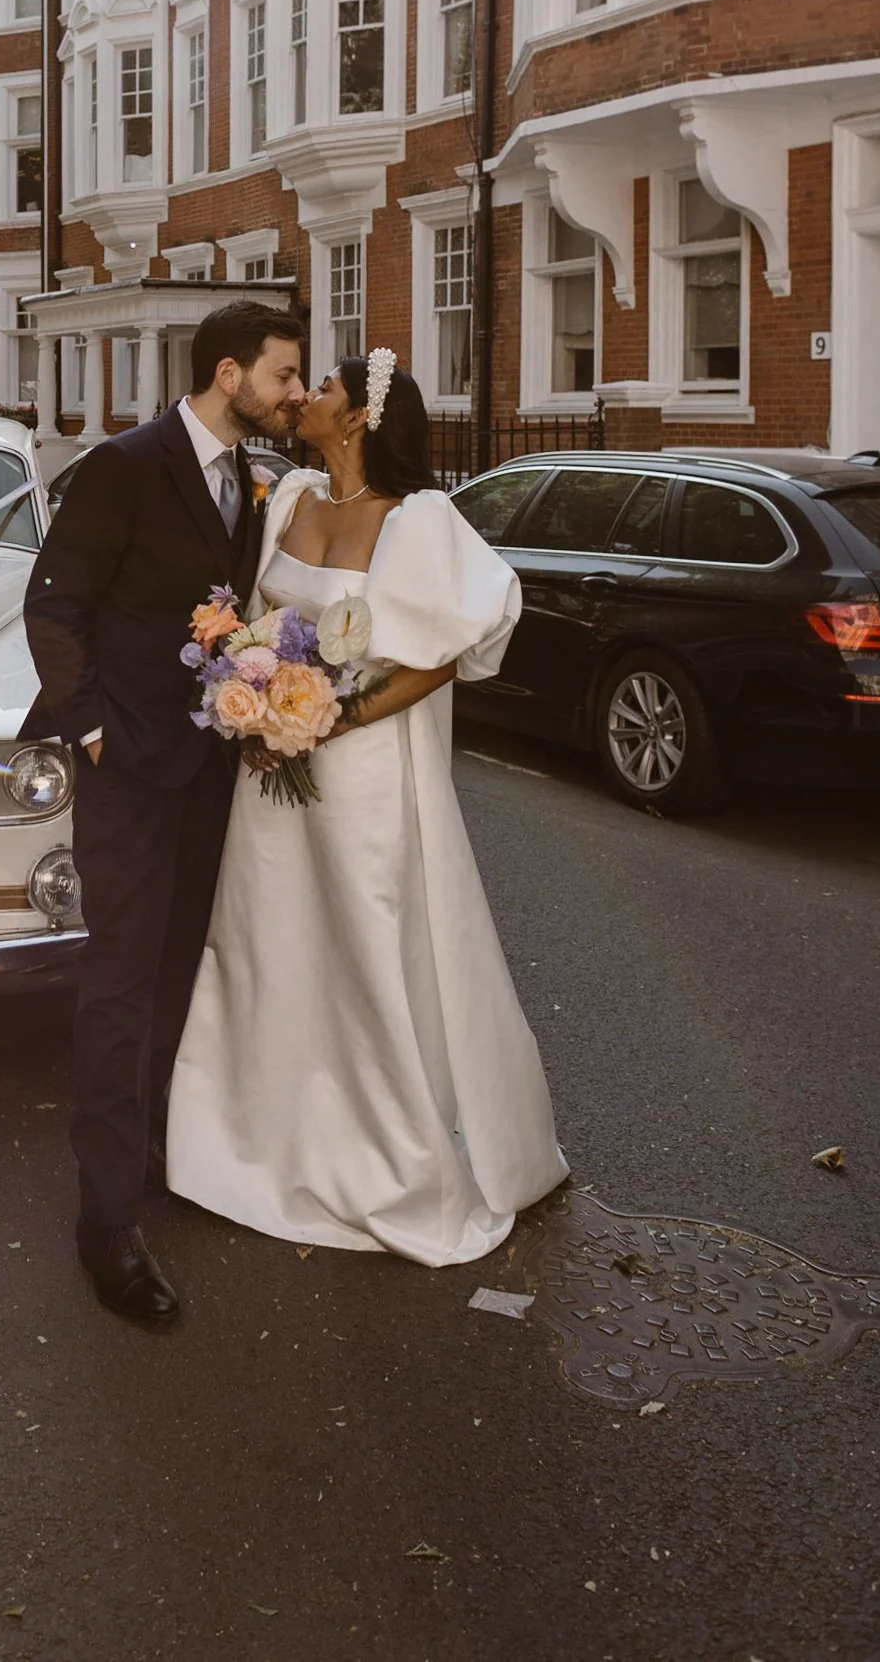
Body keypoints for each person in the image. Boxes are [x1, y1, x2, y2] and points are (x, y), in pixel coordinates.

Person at [166, 350, 568, 1264]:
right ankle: (246, 1142)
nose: (305, 398)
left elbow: (441, 653)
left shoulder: (418, 519)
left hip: (366, 776)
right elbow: (256, 624)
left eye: (327, 391)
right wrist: (255, 690)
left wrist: (335, 718)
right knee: (269, 942)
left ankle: (392, 1160)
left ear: (359, 421)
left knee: (366, 945)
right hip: (273, 776)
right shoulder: (296, 499)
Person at [22, 302, 309, 1325]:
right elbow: (51, 605)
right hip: (129, 766)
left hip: (204, 768)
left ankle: (149, 1153)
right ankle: (103, 1222)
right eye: (282, 375)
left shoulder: (248, 481)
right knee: (118, 980)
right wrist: (92, 731)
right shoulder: (125, 463)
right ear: (228, 374)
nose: (294, 393)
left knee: (178, 968)